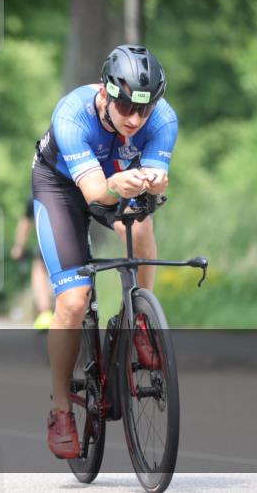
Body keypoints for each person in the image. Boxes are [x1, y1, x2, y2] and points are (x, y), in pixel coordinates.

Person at [31, 44, 177, 459]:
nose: (134, 119)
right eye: (126, 107)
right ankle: (61, 407)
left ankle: (142, 319)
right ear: (105, 94)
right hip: (61, 189)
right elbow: (95, 193)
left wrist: (154, 180)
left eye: (143, 111)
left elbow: (150, 180)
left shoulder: (163, 119)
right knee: (74, 300)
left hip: (113, 180)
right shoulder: (72, 114)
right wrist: (131, 181)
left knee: (143, 224)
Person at [9, 196, 53, 330]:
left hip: (50, 241)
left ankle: (45, 312)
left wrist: (19, 247)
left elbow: (25, 223)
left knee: (39, 266)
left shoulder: (38, 193)